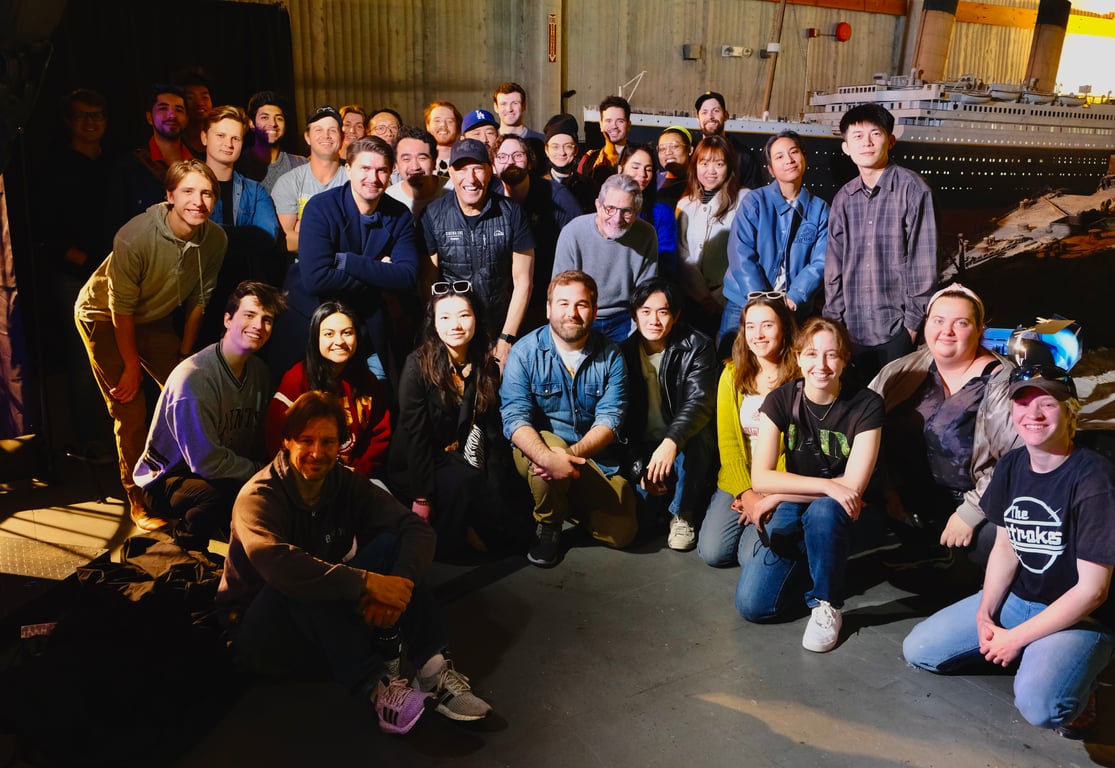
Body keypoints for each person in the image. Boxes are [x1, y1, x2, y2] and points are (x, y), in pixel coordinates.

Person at [218, 391, 492, 735]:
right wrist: (369, 583)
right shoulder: (259, 496)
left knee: (395, 545)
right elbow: (278, 566)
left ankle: (432, 669)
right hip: (261, 634)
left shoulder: (343, 481)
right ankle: (378, 687)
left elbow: (415, 528)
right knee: (296, 575)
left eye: (328, 442)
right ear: (287, 442)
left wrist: (399, 587)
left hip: (321, 618)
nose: (317, 452)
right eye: (306, 440)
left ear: (340, 445)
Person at [902, 366, 1115, 740]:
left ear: (1070, 411)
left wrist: (1013, 640)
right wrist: (985, 611)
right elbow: (1006, 545)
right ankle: (1037, 652)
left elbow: (1092, 591)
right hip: (1020, 600)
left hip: (1078, 616)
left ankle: (1081, 678)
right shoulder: (1013, 464)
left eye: (1047, 404)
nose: (1033, 414)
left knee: (1042, 707)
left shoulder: (1094, 478)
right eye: (1023, 403)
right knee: (920, 650)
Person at [75, 159, 227, 530]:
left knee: (190, 393)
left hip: (154, 316)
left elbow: (200, 300)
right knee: (130, 409)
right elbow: (121, 309)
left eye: (207, 193)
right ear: (170, 195)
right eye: (188, 192)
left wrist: (184, 356)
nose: (198, 201)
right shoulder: (135, 236)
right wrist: (130, 365)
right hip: (104, 316)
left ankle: (186, 483)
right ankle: (138, 499)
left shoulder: (215, 239)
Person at [748, 318, 885, 652]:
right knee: (755, 606)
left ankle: (827, 602)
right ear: (798, 357)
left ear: (844, 359)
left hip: (846, 511)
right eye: (811, 354)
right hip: (801, 500)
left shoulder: (867, 404)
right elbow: (760, 477)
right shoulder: (780, 400)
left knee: (824, 511)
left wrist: (781, 494)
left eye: (831, 354)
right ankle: (822, 563)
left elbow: (852, 488)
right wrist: (824, 486)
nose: (821, 365)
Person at [869, 284, 1019, 561]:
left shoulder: (1002, 384)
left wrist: (970, 512)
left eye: (961, 323)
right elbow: (864, 428)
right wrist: (887, 488)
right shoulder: (901, 371)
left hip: (974, 508)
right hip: (906, 504)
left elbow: (1018, 460)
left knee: (997, 540)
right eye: (938, 321)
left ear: (980, 330)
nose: (947, 331)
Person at [500, 271, 636, 567]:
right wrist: (549, 459)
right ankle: (548, 524)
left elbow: (610, 420)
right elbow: (514, 418)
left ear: (594, 311)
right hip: (538, 450)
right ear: (549, 308)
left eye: (581, 305)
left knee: (623, 533)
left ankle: (563, 500)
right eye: (563, 303)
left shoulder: (611, 356)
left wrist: (568, 458)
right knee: (549, 453)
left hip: (589, 456)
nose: (571, 313)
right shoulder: (525, 352)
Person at [134, 282, 285, 549]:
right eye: (249, 315)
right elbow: (205, 462)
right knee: (215, 497)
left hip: (223, 468)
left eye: (267, 319)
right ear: (228, 319)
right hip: (169, 478)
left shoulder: (260, 373)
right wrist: (261, 471)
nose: (259, 326)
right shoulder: (194, 378)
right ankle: (185, 550)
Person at [271, 136, 418, 388]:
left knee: (371, 398)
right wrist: (381, 272)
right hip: (312, 318)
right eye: (365, 168)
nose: (373, 177)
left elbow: (407, 277)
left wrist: (347, 261)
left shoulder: (399, 214)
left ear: (391, 172)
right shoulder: (321, 207)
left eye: (381, 170)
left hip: (365, 320)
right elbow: (317, 279)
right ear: (348, 169)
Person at [389, 282, 520, 557]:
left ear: (476, 318)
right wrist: (422, 495)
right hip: (419, 461)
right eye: (445, 317)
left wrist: (497, 477)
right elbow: (415, 436)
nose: (456, 325)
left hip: (459, 454)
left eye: (464, 315)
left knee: (508, 513)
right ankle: (444, 545)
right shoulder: (417, 366)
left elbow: (490, 429)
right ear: (434, 324)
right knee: (465, 482)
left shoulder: (484, 364)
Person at [824, 103, 939, 382]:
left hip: (897, 331)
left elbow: (923, 264)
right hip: (851, 331)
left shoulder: (914, 190)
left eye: (875, 134)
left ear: (890, 140)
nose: (866, 142)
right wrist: (835, 323)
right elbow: (834, 268)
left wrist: (911, 327)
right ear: (846, 147)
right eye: (857, 136)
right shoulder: (843, 199)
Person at [698, 293, 798, 568]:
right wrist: (746, 493)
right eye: (750, 326)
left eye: (768, 325)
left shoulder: (800, 376)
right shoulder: (731, 374)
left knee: (748, 557)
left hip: (781, 483)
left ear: (784, 328)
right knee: (713, 552)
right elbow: (728, 442)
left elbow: (797, 447)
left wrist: (767, 493)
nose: (758, 335)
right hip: (740, 478)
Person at [619, 279, 717, 551]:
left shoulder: (697, 346)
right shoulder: (622, 354)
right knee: (640, 525)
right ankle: (663, 501)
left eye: (663, 312)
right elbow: (622, 424)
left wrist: (671, 442)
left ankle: (683, 513)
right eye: (646, 311)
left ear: (676, 315)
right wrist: (638, 468)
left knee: (699, 432)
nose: (654, 320)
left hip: (682, 442)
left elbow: (699, 402)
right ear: (634, 315)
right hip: (646, 448)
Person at [420, 138, 535, 364]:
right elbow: (428, 285)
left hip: (500, 328)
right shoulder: (432, 215)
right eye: (461, 169)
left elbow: (524, 283)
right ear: (450, 173)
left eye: (477, 169)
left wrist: (506, 340)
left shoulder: (512, 213)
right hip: (453, 334)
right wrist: (441, 333)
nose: (470, 178)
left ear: (490, 171)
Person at [722, 131, 828, 353]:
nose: (788, 160)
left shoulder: (819, 209)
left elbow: (821, 261)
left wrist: (795, 296)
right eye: (779, 156)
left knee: (787, 366)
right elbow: (741, 253)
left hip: (793, 308)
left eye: (794, 152)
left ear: (804, 158)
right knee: (731, 361)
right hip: (744, 302)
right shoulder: (754, 202)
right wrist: (760, 301)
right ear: (770, 169)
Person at [267, 301, 392, 480]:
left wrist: (358, 471)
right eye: (329, 334)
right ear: (315, 338)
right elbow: (276, 435)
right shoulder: (297, 379)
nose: (339, 341)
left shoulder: (367, 380)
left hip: (355, 477)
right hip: (303, 477)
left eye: (347, 333)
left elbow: (378, 434)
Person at [198, 105, 283, 344]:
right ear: (204, 137)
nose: (229, 143)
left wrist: (209, 234)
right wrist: (244, 236)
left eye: (235, 138)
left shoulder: (255, 191)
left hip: (242, 297)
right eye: (221, 135)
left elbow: (267, 236)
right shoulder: (189, 188)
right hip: (197, 295)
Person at [551, 173, 658, 342]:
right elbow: (560, 291)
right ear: (598, 206)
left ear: (637, 212)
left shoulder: (646, 234)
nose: (617, 218)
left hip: (625, 318)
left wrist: (635, 330)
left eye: (627, 211)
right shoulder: (573, 232)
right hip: (581, 315)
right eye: (610, 208)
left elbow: (646, 291)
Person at [493, 133, 581, 322]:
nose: (510, 162)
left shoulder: (559, 197)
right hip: (504, 302)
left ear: (530, 162)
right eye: (502, 157)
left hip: (547, 300)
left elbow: (581, 246)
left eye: (518, 155)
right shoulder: (490, 200)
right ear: (493, 165)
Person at [675, 135, 750, 337]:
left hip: (732, 300)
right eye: (704, 163)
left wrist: (720, 296)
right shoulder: (685, 204)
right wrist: (703, 296)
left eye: (719, 164)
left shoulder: (745, 199)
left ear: (729, 166)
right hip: (692, 301)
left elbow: (747, 253)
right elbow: (682, 255)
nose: (711, 171)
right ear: (695, 165)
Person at [106, 84, 192, 235]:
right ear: (149, 117)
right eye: (163, 108)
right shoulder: (129, 166)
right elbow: (116, 223)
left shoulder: (197, 164)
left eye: (179, 110)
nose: (172, 115)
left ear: (186, 119)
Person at [271, 106, 347, 254]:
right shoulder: (289, 182)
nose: (326, 135)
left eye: (332, 130)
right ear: (307, 137)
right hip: (300, 267)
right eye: (318, 130)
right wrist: (335, 236)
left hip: (346, 267)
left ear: (342, 137)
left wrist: (304, 228)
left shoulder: (354, 181)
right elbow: (285, 241)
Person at [618, 143, 678, 280]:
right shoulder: (606, 206)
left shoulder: (661, 211)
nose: (642, 174)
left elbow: (667, 261)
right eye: (635, 167)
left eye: (648, 169)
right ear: (620, 169)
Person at [238, 91, 307, 193]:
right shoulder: (238, 165)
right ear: (251, 123)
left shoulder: (300, 164)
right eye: (265, 117)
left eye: (279, 118)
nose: (273, 123)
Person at [692, 90, 761, 189]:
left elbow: (753, 194)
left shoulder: (744, 156)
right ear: (697, 118)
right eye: (704, 112)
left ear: (726, 116)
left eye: (716, 111)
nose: (710, 116)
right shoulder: (692, 153)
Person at [385, 126, 448, 219]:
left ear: (434, 162)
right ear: (396, 165)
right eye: (406, 159)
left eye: (422, 158)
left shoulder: (455, 190)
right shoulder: (388, 199)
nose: (415, 167)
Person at [577, 95, 632, 193]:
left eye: (620, 121)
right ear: (601, 125)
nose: (614, 126)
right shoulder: (589, 160)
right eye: (608, 121)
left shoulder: (639, 159)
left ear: (628, 125)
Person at [542, 113, 594, 214]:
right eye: (555, 146)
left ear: (576, 150)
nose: (562, 152)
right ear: (546, 150)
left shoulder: (589, 187)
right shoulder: (536, 187)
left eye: (568, 146)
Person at [655, 125, 692, 209]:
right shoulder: (652, 180)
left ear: (690, 150)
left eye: (675, 146)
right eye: (662, 149)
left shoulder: (701, 180)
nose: (668, 152)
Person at [424, 100, 462, 176]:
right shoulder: (419, 164)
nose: (443, 125)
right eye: (437, 121)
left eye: (449, 121)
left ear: (458, 127)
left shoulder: (467, 163)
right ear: (428, 126)